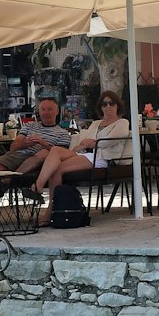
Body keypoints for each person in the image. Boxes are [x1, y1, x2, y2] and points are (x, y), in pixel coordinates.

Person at [29, 92, 131, 224]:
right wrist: (85, 144)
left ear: (118, 106)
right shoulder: (96, 123)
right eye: (104, 104)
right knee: (54, 150)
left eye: (111, 103)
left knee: (57, 168)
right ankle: (40, 186)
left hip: (102, 157)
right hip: (85, 153)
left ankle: (48, 207)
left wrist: (92, 143)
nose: (108, 107)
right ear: (101, 107)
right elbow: (83, 140)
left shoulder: (122, 122)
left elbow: (109, 142)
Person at [0, 96, 71, 177]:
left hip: (40, 160)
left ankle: (13, 178)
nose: (45, 113)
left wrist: (43, 143)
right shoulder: (29, 125)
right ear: (39, 111)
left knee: (44, 153)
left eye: (49, 109)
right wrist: (25, 143)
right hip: (18, 155)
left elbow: (60, 154)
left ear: (57, 111)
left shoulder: (63, 133)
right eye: (43, 109)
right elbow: (13, 147)